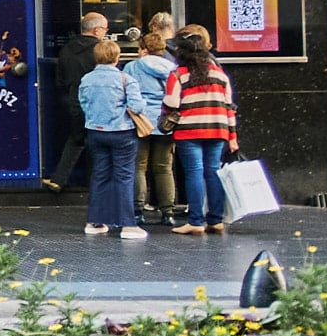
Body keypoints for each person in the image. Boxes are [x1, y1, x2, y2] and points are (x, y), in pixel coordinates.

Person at [165, 26, 240, 236]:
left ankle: (196, 221)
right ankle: (216, 220)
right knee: (213, 172)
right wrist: (232, 136)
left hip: (189, 131)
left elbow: (171, 101)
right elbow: (229, 106)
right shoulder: (219, 74)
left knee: (194, 173)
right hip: (217, 129)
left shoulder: (178, 74)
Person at [76, 36, 153, 237]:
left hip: (95, 132)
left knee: (100, 175)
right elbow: (136, 106)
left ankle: (95, 222)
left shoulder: (86, 79)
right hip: (122, 133)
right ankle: (128, 224)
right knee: (124, 176)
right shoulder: (125, 79)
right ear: (117, 57)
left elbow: (83, 104)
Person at [44, 11, 111, 192]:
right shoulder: (100, 50)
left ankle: (59, 179)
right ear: (97, 30)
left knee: (76, 138)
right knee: (96, 141)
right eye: (105, 29)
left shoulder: (66, 49)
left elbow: (60, 80)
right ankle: (94, 183)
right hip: (97, 101)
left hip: (72, 99)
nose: (106, 32)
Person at [127, 12, 181, 227]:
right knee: (164, 167)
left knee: (139, 166)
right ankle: (168, 212)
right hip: (165, 122)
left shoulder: (132, 66)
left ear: (144, 49)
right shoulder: (173, 69)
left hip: (140, 122)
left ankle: (138, 210)